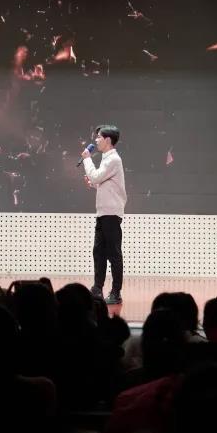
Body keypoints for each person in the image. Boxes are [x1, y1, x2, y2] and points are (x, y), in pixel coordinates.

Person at [81, 124, 126, 305]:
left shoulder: (113, 159)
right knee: (98, 252)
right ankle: (97, 288)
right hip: (103, 213)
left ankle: (116, 292)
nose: (96, 140)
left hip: (111, 214)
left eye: (99, 137)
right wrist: (93, 183)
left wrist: (87, 159)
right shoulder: (107, 159)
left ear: (108, 140)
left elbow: (97, 176)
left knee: (113, 254)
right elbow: (103, 182)